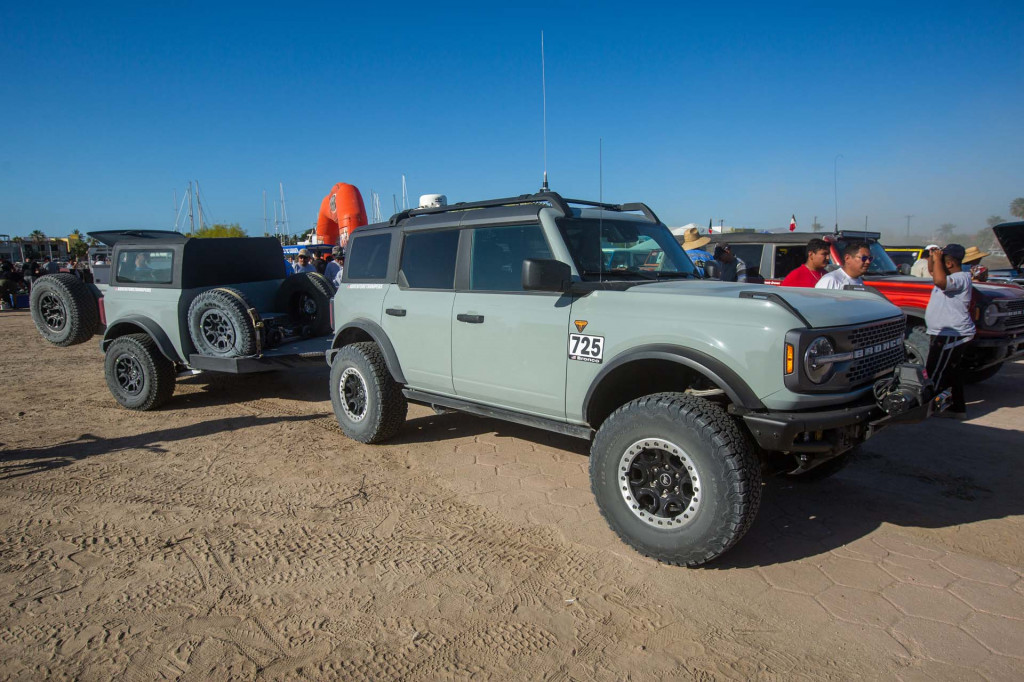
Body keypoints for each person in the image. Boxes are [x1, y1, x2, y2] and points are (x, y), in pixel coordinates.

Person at [924, 244, 974, 419]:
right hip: (947, 334)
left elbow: (939, 280)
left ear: (950, 263)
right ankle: (957, 409)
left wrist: (937, 260)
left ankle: (928, 409)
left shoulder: (959, 278)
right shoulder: (951, 275)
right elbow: (933, 273)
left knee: (934, 371)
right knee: (952, 373)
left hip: (951, 335)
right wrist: (932, 256)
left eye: (941, 262)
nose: (936, 266)